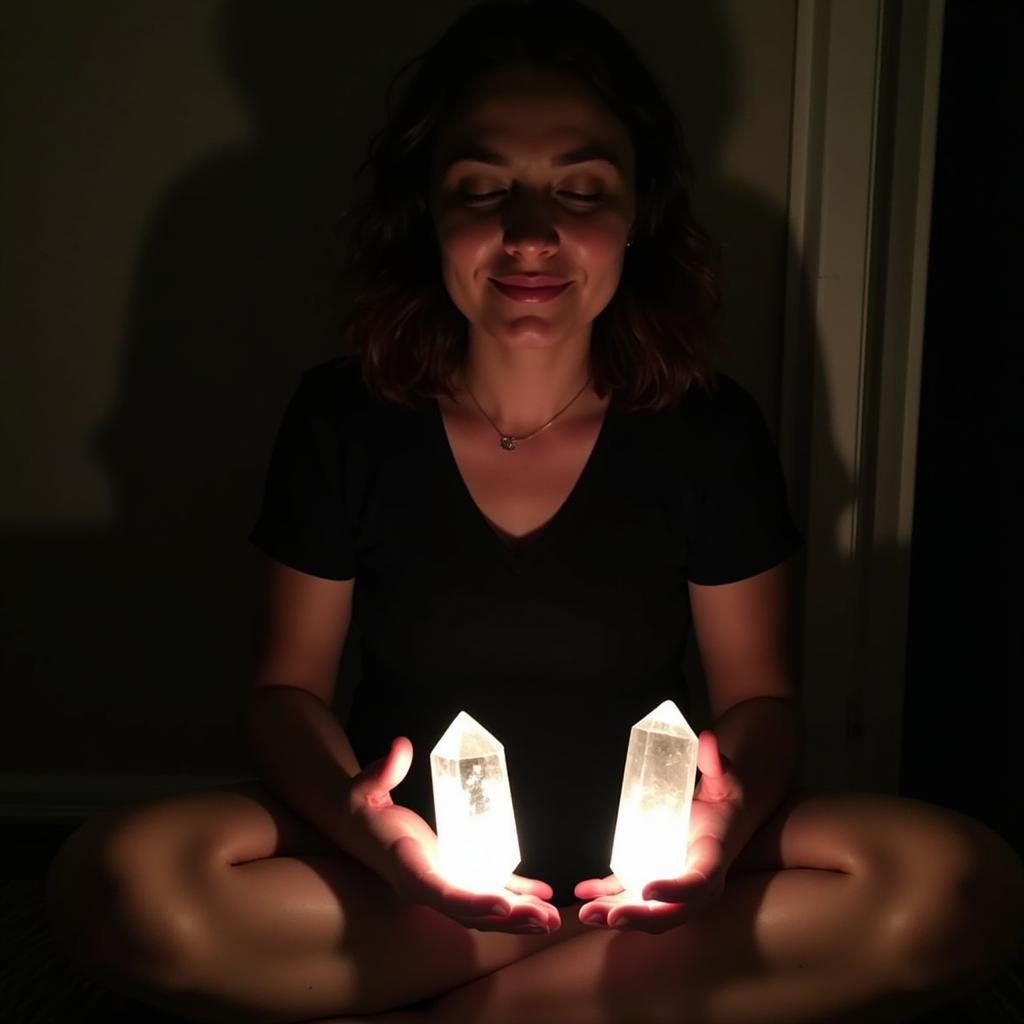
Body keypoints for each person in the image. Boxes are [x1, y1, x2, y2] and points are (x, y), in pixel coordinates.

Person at [46, 2, 1024, 1022]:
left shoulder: (705, 428)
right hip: (416, 877)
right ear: (427, 209)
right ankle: (574, 995)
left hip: (646, 875)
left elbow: (761, 706)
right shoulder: (345, 418)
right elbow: (284, 692)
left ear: (635, 211)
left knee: (961, 884)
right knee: (120, 881)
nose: (529, 232)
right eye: (483, 188)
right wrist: (374, 833)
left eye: (579, 188)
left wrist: (718, 840)